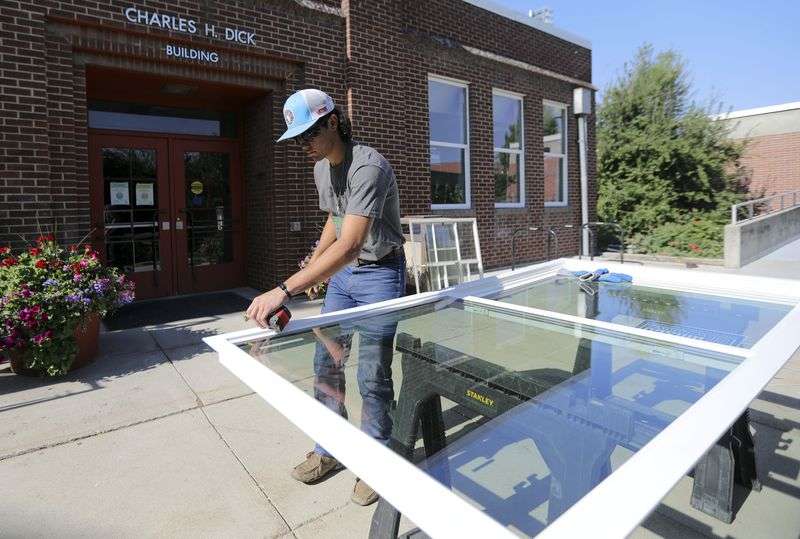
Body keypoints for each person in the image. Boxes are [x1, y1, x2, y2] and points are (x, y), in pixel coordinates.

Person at [245, 88, 406, 506]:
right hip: (344, 277)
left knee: (372, 373)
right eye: (297, 138)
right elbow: (335, 221)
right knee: (326, 361)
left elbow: (351, 245)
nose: (304, 144)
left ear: (333, 122)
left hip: (380, 272)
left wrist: (285, 289)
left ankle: (377, 461)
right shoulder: (321, 168)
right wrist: (314, 267)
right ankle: (329, 449)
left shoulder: (368, 167)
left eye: (309, 134)